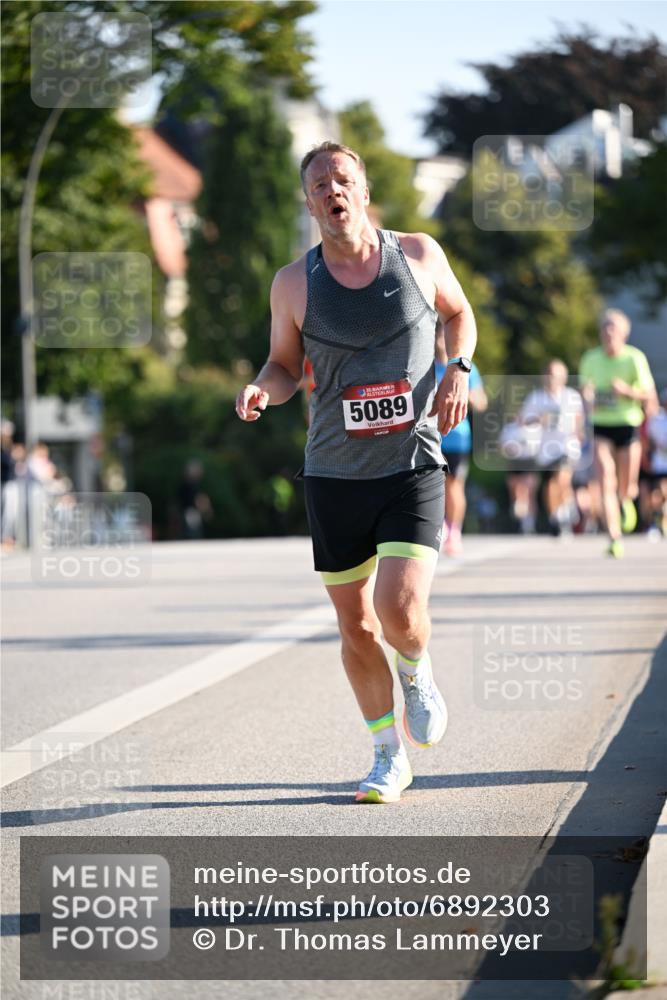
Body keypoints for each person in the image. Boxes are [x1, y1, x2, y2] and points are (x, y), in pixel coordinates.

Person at [236, 141, 476, 803]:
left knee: (398, 612)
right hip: (335, 471)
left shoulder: (420, 254)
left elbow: (459, 315)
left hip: (410, 464)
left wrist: (458, 369)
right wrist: (262, 389)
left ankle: (418, 670)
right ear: (310, 202)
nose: (332, 192)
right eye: (319, 185)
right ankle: (386, 755)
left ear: (363, 191)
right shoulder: (292, 282)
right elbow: (283, 367)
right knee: (355, 626)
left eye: (342, 179)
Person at [579, 309, 656, 558]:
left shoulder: (635, 358)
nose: (608, 333)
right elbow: (585, 388)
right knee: (605, 479)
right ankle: (614, 536)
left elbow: (648, 395)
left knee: (627, 485)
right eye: (605, 328)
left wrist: (626, 391)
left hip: (628, 424)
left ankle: (626, 501)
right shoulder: (591, 358)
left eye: (614, 329)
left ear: (624, 333)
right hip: (601, 424)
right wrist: (588, 395)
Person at [434, 321, 487, 554]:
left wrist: (470, 396)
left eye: (444, 337)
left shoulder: (466, 368)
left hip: (457, 436)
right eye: (437, 336)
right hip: (430, 437)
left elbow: (482, 402)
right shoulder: (424, 367)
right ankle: (439, 527)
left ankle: (454, 531)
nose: (440, 342)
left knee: (454, 485)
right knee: (433, 487)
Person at [519, 360, 585, 536]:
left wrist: (579, 433)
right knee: (550, 485)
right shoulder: (536, 397)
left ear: (563, 377)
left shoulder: (571, 396)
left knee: (562, 478)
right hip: (545, 449)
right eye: (548, 374)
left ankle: (564, 511)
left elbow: (579, 419)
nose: (551, 378)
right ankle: (556, 516)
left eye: (555, 375)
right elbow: (523, 419)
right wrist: (539, 420)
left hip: (567, 446)